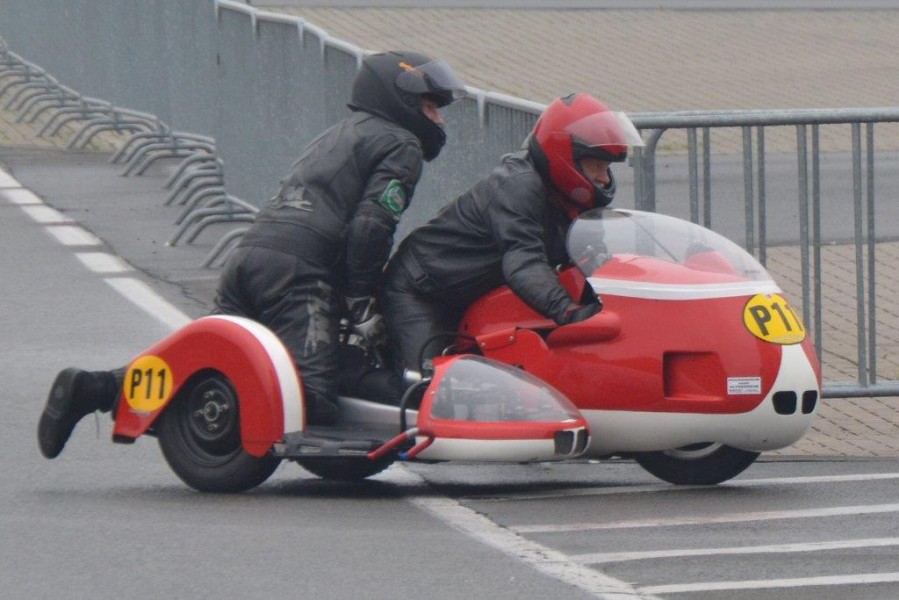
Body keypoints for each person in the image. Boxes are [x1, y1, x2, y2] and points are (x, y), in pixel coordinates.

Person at [37, 50, 466, 459]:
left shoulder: (340, 132)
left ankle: (93, 389)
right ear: (403, 100)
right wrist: (358, 298)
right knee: (313, 399)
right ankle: (219, 421)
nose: (439, 118)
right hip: (302, 272)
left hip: (251, 257)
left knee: (206, 357)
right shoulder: (401, 144)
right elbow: (372, 227)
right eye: (431, 105)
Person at [379, 92, 643, 380]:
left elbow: (592, 257)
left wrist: (624, 303)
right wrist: (569, 313)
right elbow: (523, 262)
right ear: (567, 156)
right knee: (429, 388)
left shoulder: (570, 199)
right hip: (423, 291)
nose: (604, 178)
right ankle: (350, 385)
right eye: (597, 165)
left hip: (475, 296)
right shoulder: (517, 185)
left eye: (606, 168)